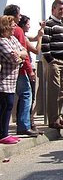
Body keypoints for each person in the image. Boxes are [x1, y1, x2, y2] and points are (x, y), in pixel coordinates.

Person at [3, 4, 36, 137]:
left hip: (16, 68)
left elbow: (22, 51)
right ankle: (24, 125)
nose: (20, 16)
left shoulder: (12, 31)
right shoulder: (17, 30)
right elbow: (23, 53)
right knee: (26, 95)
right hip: (19, 70)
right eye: (19, 14)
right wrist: (30, 71)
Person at [41, 0, 63, 130]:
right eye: (60, 9)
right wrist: (51, 60)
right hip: (55, 61)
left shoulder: (62, 24)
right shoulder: (49, 24)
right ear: (53, 9)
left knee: (62, 91)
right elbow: (45, 44)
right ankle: (53, 119)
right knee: (54, 91)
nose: (62, 11)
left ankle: (59, 117)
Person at [0, 15, 28, 144]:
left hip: (12, 80)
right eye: (12, 26)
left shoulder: (11, 39)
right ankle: (3, 134)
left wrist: (19, 54)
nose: (14, 28)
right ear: (5, 27)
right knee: (6, 105)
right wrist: (19, 55)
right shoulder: (2, 41)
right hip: (3, 81)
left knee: (9, 105)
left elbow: (24, 51)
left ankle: (4, 133)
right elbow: (14, 59)